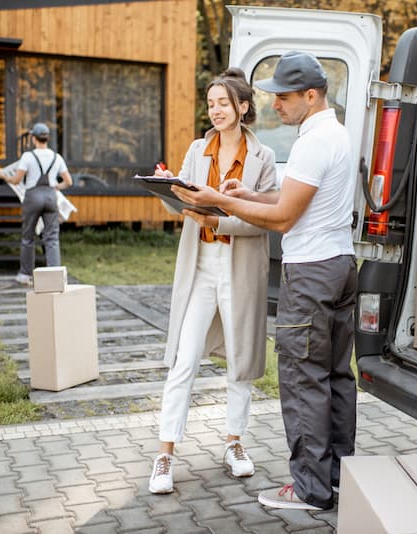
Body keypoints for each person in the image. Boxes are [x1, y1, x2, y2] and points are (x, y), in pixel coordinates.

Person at [173, 51, 357, 511]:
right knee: (336, 377)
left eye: (284, 97)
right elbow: (292, 198)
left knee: (303, 381)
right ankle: (337, 477)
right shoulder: (335, 133)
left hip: (311, 275)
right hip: (339, 265)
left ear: (311, 95)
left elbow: (283, 217)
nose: (275, 104)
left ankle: (310, 490)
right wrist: (251, 193)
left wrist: (221, 200)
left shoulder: (313, 142)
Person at [147, 68, 278, 495]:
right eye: (210, 103)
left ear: (242, 107)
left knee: (240, 360)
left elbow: (265, 221)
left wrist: (218, 220)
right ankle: (165, 453)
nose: (215, 110)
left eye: (223, 103)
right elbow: (182, 205)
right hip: (200, 266)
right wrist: (169, 189)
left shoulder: (265, 159)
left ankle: (234, 443)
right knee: (184, 359)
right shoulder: (198, 149)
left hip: (240, 268)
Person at [0, 123, 72, 285]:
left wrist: (3, 176)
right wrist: (55, 187)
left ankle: (25, 275)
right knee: (52, 238)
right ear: (47, 138)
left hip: (32, 197)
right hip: (51, 197)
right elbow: (68, 181)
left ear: (33, 138)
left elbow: (16, 180)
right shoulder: (56, 157)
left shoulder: (28, 157)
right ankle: (55, 278)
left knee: (28, 237)